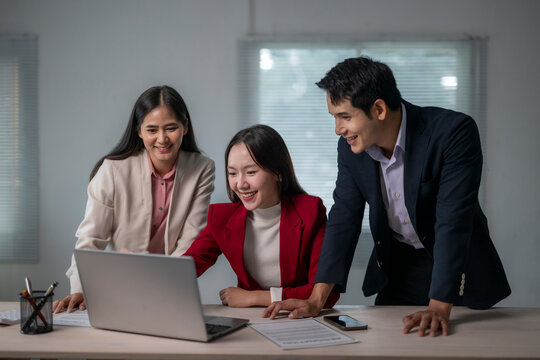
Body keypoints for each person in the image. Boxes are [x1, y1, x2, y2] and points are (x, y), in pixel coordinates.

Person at [263, 57, 511, 336]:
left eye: (345, 117)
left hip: (456, 270)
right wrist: (316, 300)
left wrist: (439, 306)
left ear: (379, 109)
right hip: (398, 268)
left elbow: (453, 222)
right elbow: (344, 217)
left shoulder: (453, 132)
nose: (338, 129)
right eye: (334, 117)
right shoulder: (350, 149)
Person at [53, 85, 215, 313]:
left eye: (171, 128)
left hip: (173, 289)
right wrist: (81, 288)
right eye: (151, 130)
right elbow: (91, 239)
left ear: (185, 127)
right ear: (139, 131)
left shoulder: (202, 169)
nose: (162, 139)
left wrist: (165, 284)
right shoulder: (112, 169)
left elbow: (190, 241)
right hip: (122, 286)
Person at [184, 125, 339, 308]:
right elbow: (184, 269)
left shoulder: (310, 211)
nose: (240, 184)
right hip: (249, 319)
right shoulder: (222, 218)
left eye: (251, 172)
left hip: (297, 320)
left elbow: (324, 296)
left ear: (278, 173)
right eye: (232, 173)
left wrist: (254, 298)